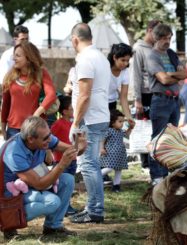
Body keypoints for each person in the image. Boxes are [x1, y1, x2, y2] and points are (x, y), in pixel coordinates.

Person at [2, 116, 85, 239]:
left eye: (50, 135)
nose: (50, 139)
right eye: (46, 138)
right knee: (52, 202)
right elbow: (39, 184)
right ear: (30, 139)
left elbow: (72, 150)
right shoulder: (14, 151)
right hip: (8, 196)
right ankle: (7, 223)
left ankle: (53, 227)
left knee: (67, 180)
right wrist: (61, 164)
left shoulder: (42, 138)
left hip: (28, 185)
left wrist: (80, 146)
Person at [68, 23, 110, 223]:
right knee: (90, 165)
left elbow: (84, 95)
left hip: (89, 118)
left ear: (75, 39)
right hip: (100, 115)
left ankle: (94, 210)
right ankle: (93, 208)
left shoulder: (85, 59)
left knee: (88, 165)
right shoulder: (101, 57)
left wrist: (76, 123)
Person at [146, 23, 187, 185]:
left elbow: (186, 73)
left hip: (175, 100)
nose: (167, 41)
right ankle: (156, 175)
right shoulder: (152, 56)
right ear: (156, 38)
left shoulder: (171, 53)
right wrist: (174, 76)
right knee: (158, 138)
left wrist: (171, 74)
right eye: (164, 38)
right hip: (161, 99)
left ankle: (166, 172)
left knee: (170, 138)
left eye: (169, 37)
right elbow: (163, 79)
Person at [1, 41, 57, 140]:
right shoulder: (10, 76)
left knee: (37, 156)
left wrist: (36, 114)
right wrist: (3, 127)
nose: (14, 58)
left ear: (28, 58)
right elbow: (6, 104)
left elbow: (51, 95)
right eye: (14, 55)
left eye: (17, 56)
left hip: (35, 129)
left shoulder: (41, 73)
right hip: (13, 130)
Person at [131, 20, 161, 169]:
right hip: (144, 94)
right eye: (157, 33)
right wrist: (137, 99)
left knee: (154, 127)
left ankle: (154, 159)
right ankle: (145, 163)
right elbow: (135, 74)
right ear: (149, 30)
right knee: (144, 127)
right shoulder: (139, 48)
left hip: (157, 92)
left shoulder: (157, 48)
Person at [50, 95, 78, 215]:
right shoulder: (58, 124)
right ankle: (63, 207)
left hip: (73, 159)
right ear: (65, 111)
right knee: (62, 185)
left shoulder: (73, 124)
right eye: (72, 109)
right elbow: (50, 139)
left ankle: (66, 206)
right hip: (61, 160)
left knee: (69, 186)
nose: (74, 111)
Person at [100, 109, 135, 192]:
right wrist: (101, 148)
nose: (122, 124)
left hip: (120, 153)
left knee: (119, 169)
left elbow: (126, 135)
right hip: (111, 153)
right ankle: (95, 177)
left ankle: (116, 186)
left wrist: (131, 127)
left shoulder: (120, 131)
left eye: (123, 121)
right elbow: (102, 139)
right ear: (112, 122)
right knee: (109, 168)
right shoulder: (109, 131)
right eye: (120, 121)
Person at [106, 43, 133, 119]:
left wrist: (129, 117)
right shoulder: (105, 68)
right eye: (123, 60)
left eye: (127, 60)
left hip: (112, 103)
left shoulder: (125, 72)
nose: (125, 63)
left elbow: (123, 97)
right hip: (99, 104)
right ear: (114, 57)